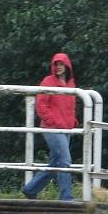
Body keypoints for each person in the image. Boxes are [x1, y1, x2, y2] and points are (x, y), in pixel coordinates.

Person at [22, 52, 78, 201]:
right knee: (65, 161)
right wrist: (54, 122)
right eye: (56, 64)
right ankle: (66, 198)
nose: (58, 67)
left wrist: (73, 121)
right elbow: (41, 106)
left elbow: (70, 107)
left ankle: (30, 189)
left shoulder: (71, 83)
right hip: (52, 128)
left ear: (67, 66)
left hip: (66, 129)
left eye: (61, 64)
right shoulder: (48, 81)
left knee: (56, 163)